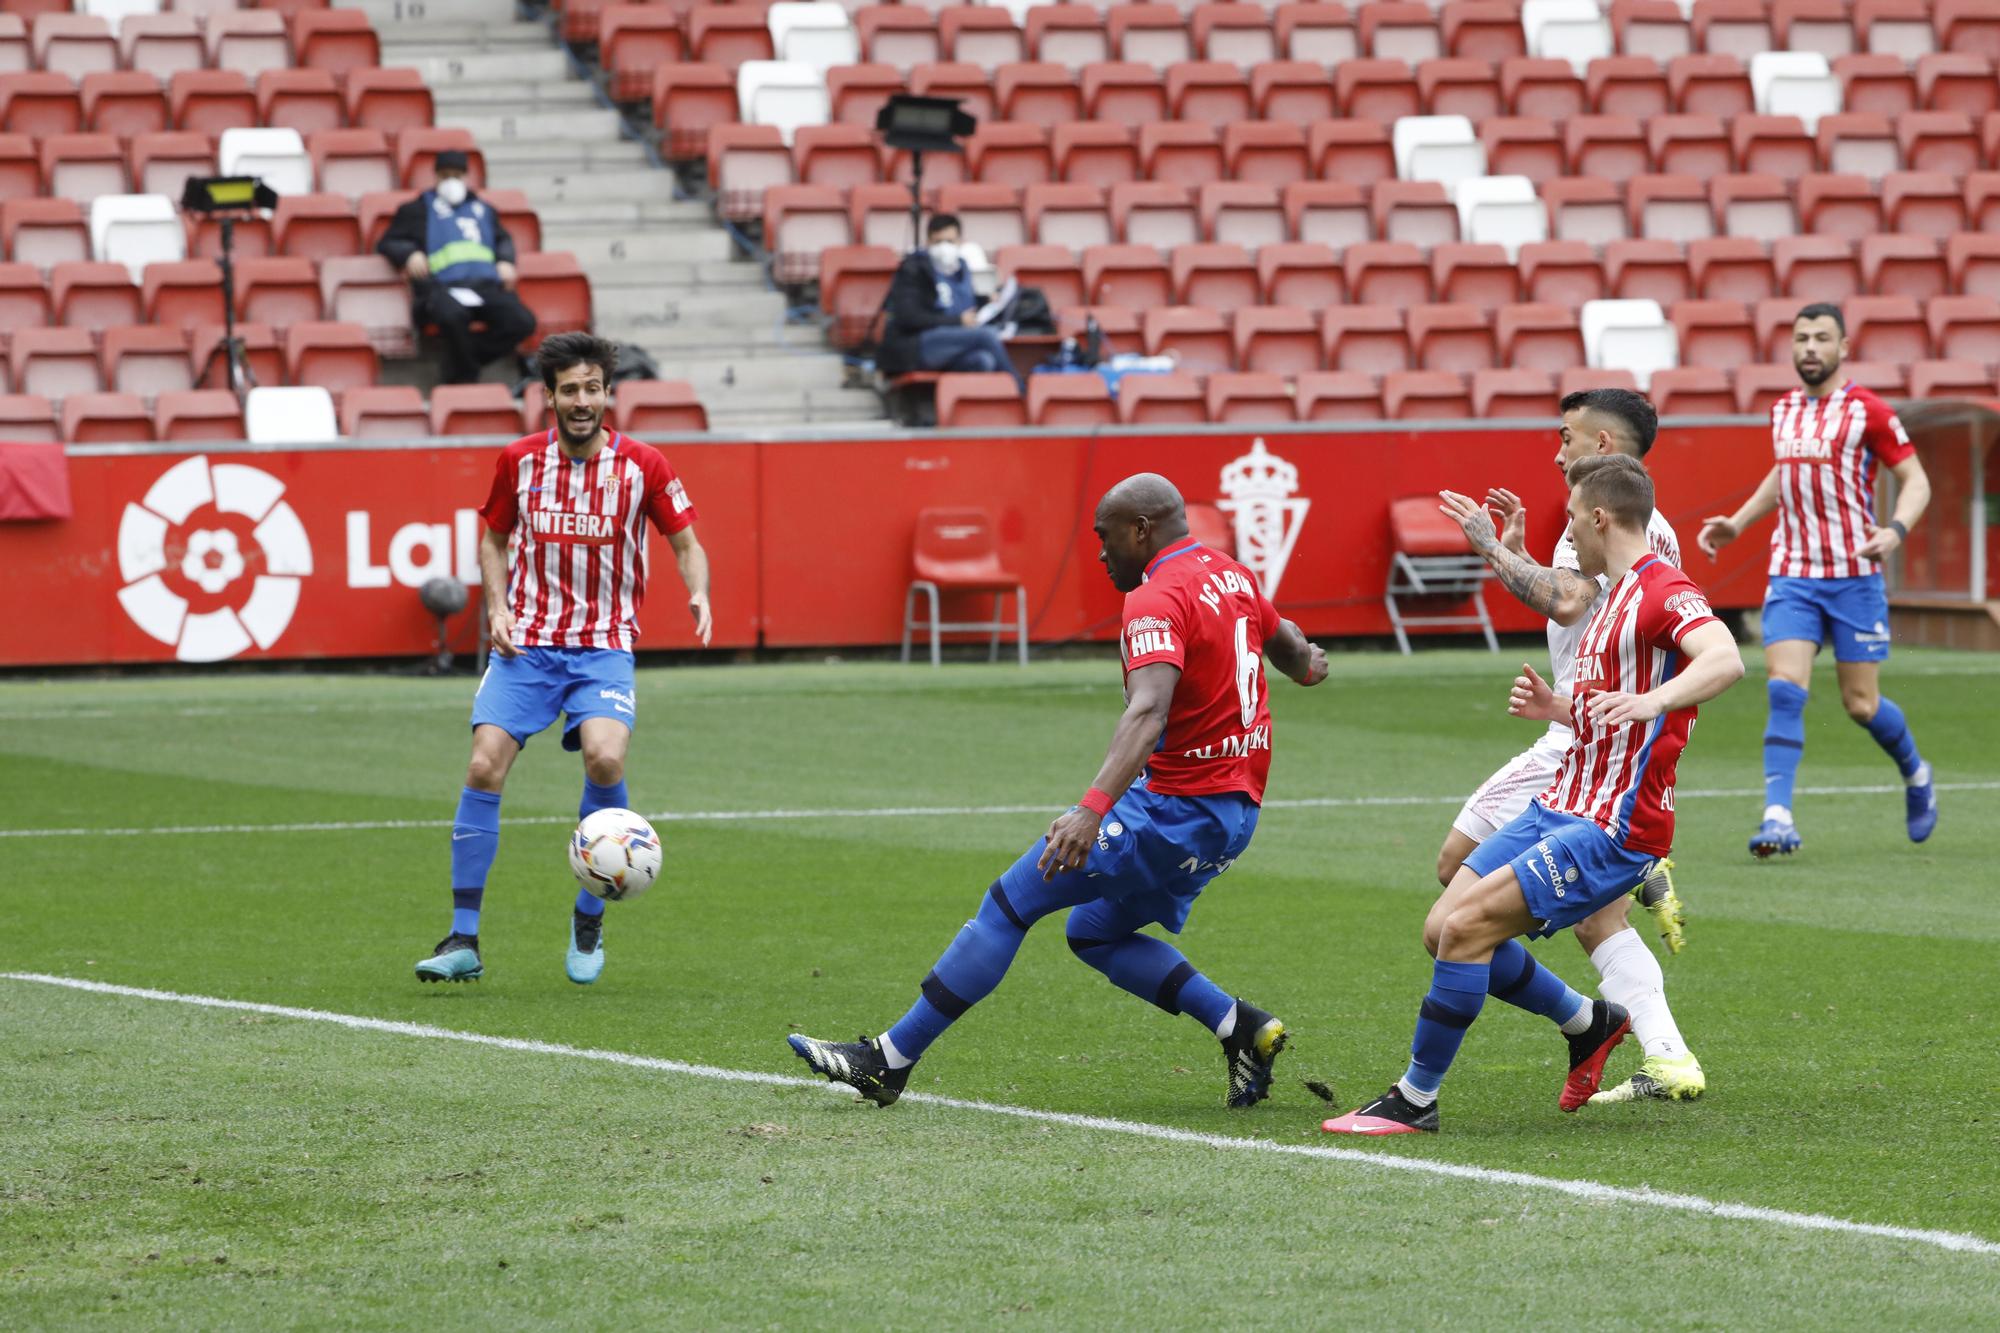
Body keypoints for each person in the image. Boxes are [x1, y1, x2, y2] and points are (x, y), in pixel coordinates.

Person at [788, 473, 1329, 1108]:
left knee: (1010, 904)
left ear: (1141, 530)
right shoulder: (1232, 575)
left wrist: (1089, 810)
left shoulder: (1155, 598)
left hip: (1172, 812)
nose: (1101, 555)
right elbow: (1292, 650)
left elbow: (1148, 712)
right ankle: (1241, 1027)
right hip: (1234, 817)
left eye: (1105, 538)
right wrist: (1310, 665)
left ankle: (887, 1061)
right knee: (1093, 932)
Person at [1324, 455, 1744, 1135]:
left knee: (1465, 930)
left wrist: (1653, 700)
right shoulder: (1609, 597)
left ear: (1601, 516)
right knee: (1442, 928)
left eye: (1574, 515)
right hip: (1563, 803)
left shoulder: (1663, 589)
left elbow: (1724, 655)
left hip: (1614, 825)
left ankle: (1415, 1098)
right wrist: (1559, 706)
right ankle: (1590, 1021)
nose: (1568, 529)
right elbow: (1606, 705)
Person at [415, 333, 713, 988]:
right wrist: (495, 608)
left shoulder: (644, 466)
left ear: (608, 394)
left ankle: (588, 912)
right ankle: (463, 937)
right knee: (482, 763)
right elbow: (493, 541)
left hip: (603, 644)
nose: (583, 401)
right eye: (570, 389)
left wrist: (698, 588)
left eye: (593, 388)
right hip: (529, 643)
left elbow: (687, 542)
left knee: (605, 756)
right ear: (548, 396)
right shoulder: (518, 462)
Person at [1435, 388, 1704, 1105]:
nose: (1556, 452)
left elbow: (1566, 601)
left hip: (1586, 745)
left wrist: (1491, 547)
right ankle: (1640, 1040)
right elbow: (1570, 598)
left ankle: (1604, 1027)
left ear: (1604, 448)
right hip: (1590, 729)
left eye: (1567, 438)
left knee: (1469, 893)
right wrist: (1521, 552)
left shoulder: (1606, 520)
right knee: (1561, 906)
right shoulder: (1627, 521)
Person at [1697, 304, 1937, 858]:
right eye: (1801, 337)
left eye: (1821, 338)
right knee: (1784, 688)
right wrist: (1739, 521)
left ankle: (1916, 772)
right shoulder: (1783, 411)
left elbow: (1916, 480)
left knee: (1860, 705)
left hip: (1854, 578)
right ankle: (1777, 815)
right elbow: (1785, 474)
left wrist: (1895, 529)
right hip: (1794, 574)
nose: (1809, 346)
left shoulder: (1868, 411)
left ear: (1843, 348)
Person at [377, 149, 538, 385]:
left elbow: (502, 239)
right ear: (436, 177)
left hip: (485, 287)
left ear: (465, 176)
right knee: (452, 316)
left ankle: (461, 361)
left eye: (456, 175)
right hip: (440, 288)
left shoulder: (484, 210)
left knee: (522, 321)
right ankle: (463, 376)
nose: (451, 181)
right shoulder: (417, 209)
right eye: (445, 175)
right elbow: (389, 242)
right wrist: (409, 254)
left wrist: (505, 260)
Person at [878, 213, 1023, 389]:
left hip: (953, 345)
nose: (944, 247)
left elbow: (957, 303)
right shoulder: (914, 268)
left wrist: (985, 302)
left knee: (983, 361)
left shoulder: (962, 267)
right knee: (986, 335)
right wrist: (958, 321)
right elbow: (908, 317)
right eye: (938, 242)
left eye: (950, 241)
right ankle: (1019, 392)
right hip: (917, 345)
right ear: (928, 242)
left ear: (960, 241)